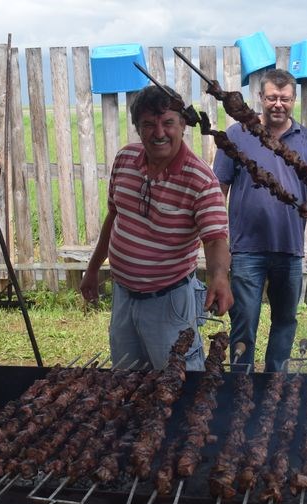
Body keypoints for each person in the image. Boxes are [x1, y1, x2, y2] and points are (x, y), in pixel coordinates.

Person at [80, 84, 233, 371]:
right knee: (126, 383)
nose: (159, 133)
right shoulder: (125, 159)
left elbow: (215, 240)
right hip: (124, 297)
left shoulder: (201, 180)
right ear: (138, 128)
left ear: (183, 125)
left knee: (179, 387)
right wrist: (92, 269)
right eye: (148, 124)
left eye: (168, 123)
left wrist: (219, 277)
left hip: (169, 302)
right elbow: (114, 217)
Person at [212, 68, 307, 372]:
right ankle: (240, 382)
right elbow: (218, 191)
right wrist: (218, 246)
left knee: (285, 322)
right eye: (272, 98)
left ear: (293, 101)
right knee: (244, 320)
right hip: (246, 249)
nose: (279, 104)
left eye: (285, 99)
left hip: (289, 252)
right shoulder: (237, 135)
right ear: (261, 98)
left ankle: (276, 384)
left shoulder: (305, 140)